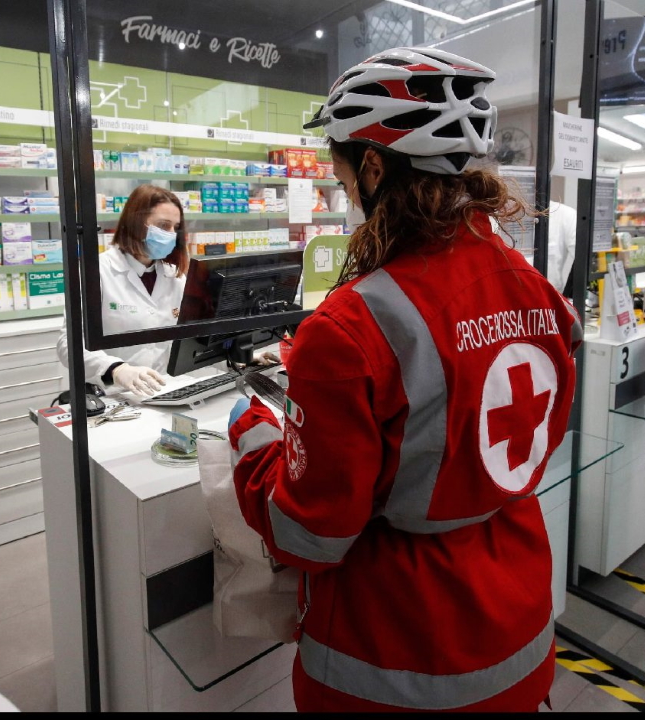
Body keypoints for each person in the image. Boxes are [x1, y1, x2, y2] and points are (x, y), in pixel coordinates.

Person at [227, 47, 581, 712]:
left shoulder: (349, 325)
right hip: (521, 632)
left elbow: (310, 533)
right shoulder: (539, 293)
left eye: (342, 179)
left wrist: (253, 439)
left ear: (373, 167)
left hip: (395, 660)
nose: (346, 198)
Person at [56, 184, 188, 396]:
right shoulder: (96, 271)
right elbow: (67, 345)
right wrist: (117, 369)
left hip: (162, 391)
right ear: (136, 223)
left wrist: (236, 356)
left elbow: (192, 341)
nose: (171, 234)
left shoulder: (175, 276)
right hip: (109, 394)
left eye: (175, 227)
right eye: (163, 226)